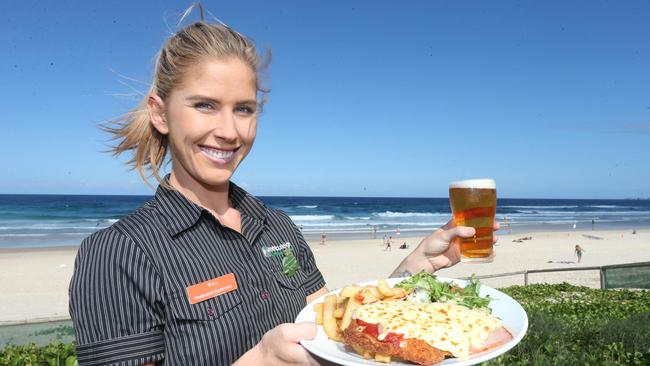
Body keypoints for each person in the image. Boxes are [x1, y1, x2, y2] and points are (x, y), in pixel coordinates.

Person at [68, 5, 499, 365]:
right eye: (204, 105)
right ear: (160, 113)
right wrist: (260, 360)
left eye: (243, 109)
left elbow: (332, 329)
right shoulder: (118, 255)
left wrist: (413, 269)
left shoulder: (277, 226)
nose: (229, 131)